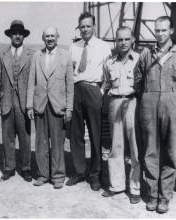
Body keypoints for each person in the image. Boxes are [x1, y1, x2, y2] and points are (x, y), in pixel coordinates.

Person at [135, 16, 176, 213]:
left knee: (170, 152)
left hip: (172, 107)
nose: (159, 34)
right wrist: (146, 97)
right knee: (150, 151)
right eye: (157, 30)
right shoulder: (146, 54)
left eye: (163, 30)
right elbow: (137, 78)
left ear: (171, 31)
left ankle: (165, 196)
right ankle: (152, 194)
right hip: (149, 106)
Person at [66, 12, 111, 191]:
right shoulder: (73, 47)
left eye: (88, 26)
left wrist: (100, 92)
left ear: (94, 26)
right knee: (76, 134)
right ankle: (79, 171)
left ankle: (95, 174)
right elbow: (70, 72)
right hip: (77, 89)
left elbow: (108, 73)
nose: (85, 29)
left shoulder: (103, 46)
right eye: (82, 26)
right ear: (79, 28)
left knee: (95, 135)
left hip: (94, 90)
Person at [27, 26, 74, 189]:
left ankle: (58, 175)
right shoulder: (36, 56)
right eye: (47, 36)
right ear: (43, 38)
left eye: (52, 35)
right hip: (40, 105)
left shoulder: (66, 56)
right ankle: (42, 174)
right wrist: (29, 106)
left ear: (58, 37)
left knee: (57, 142)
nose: (50, 38)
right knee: (40, 143)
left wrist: (69, 108)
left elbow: (70, 85)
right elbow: (31, 83)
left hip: (57, 106)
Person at [101, 27, 141, 204]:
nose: (123, 43)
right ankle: (116, 185)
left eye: (126, 39)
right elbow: (106, 84)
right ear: (115, 42)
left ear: (132, 40)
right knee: (116, 146)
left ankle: (135, 188)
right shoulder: (109, 62)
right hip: (115, 102)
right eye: (120, 40)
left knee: (134, 147)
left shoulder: (139, 59)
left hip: (133, 103)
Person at [0, 20, 34, 182]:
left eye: (20, 33)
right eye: (14, 33)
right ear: (10, 35)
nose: (17, 35)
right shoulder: (1, 55)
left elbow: (35, 80)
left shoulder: (31, 55)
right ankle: (9, 167)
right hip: (7, 102)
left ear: (24, 35)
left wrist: (32, 103)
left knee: (25, 137)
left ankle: (26, 168)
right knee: (7, 136)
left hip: (24, 104)